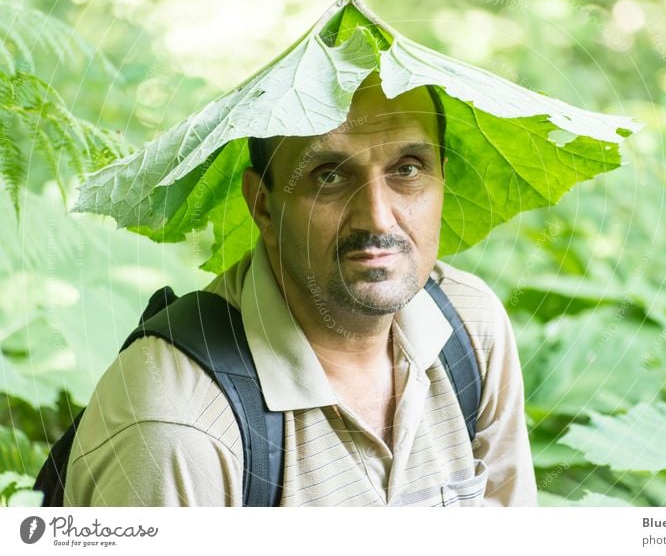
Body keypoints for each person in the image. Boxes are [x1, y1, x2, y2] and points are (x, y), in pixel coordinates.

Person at [64, 72, 537, 507]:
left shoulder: (472, 330)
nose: (376, 216)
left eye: (408, 169)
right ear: (264, 208)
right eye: (329, 175)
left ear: (442, 181)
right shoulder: (178, 426)